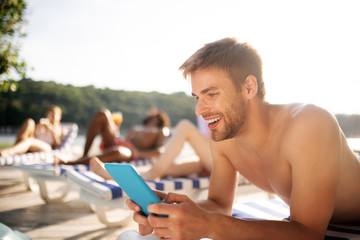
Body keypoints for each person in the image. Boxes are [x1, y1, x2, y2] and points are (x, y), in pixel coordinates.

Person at [126, 38, 360, 240]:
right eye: (197, 97)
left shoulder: (308, 125)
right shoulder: (224, 137)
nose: (199, 109)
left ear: (249, 87)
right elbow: (219, 206)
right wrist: (173, 209)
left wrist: (210, 225)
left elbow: (308, 234)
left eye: (211, 94)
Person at [90, 119, 212, 181]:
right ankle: (116, 175)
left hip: (219, 159)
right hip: (208, 160)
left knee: (185, 126)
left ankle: (153, 174)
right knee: (165, 167)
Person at [54, 108, 172, 165]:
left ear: (159, 119)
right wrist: (115, 129)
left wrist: (139, 153)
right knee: (102, 114)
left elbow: (161, 150)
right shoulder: (139, 127)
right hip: (119, 142)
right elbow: (123, 139)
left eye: (155, 116)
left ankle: (71, 163)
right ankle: (84, 155)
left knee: (118, 151)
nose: (153, 116)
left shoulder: (161, 130)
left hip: (131, 153)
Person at [0, 105, 65, 157]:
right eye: (49, 115)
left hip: (47, 147)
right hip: (33, 142)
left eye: (54, 115)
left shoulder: (61, 129)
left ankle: (8, 152)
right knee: (29, 122)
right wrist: (38, 127)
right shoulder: (44, 124)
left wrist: (52, 130)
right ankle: (17, 148)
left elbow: (57, 145)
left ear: (60, 117)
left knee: (29, 141)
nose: (51, 117)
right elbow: (33, 135)